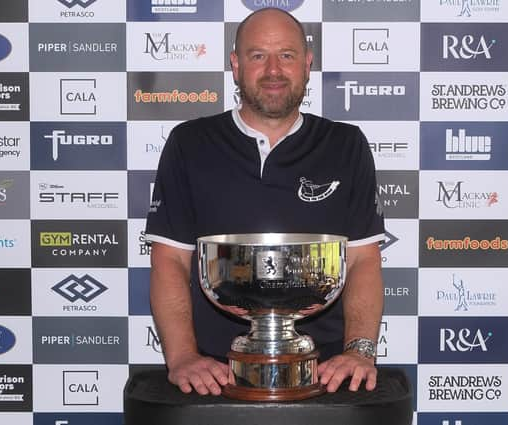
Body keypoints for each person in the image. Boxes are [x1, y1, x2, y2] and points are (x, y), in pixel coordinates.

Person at [145, 7, 385, 397]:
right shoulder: (190, 144)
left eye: (287, 56)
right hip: (216, 374)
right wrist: (182, 356)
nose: (273, 70)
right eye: (258, 56)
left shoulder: (346, 145)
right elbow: (169, 260)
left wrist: (359, 351)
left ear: (307, 65)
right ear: (236, 66)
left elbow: (362, 260)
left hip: (324, 372)